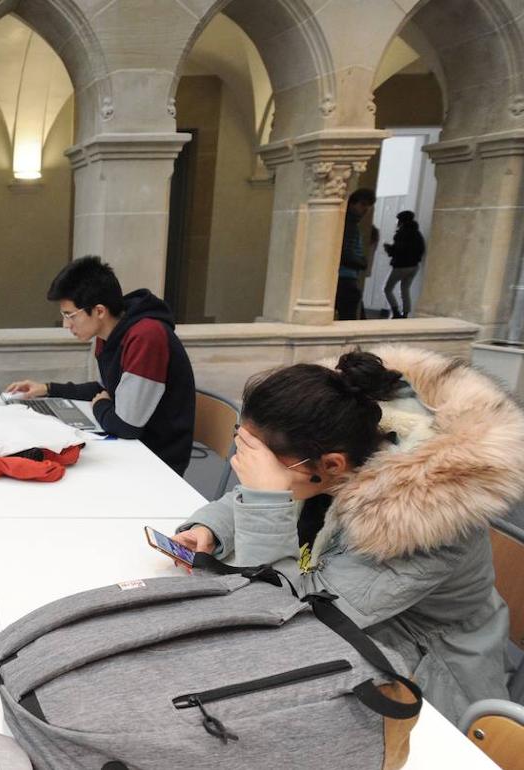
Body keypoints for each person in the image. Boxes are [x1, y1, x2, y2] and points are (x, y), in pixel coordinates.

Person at [171, 347, 523, 722]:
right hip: (349, 623)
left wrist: (264, 500)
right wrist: (210, 527)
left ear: (332, 465)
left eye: (263, 464)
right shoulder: (337, 430)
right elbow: (264, 487)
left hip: (420, 677)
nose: (243, 467)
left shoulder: (420, 520)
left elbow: (297, 612)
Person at [6, 256, 196, 475]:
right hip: (129, 448)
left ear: (99, 311)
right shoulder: (107, 334)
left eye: (70, 315)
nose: (66, 324)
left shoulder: (146, 336)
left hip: (155, 461)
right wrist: (48, 389)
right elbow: (104, 390)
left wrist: (100, 405)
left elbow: (126, 426)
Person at [335, 188, 376, 320]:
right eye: (363, 204)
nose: (366, 209)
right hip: (345, 278)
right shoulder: (349, 225)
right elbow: (344, 254)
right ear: (352, 203)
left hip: (345, 278)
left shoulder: (350, 223)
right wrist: (362, 263)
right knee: (348, 319)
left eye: (368, 206)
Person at [383, 211, 426, 319]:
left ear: (401, 221)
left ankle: (395, 311)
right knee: (405, 289)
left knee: (387, 289)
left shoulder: (402, 234)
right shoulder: (417, 234)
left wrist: (388, 248)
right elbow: (420, 250)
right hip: (414, 266)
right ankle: (405, 313)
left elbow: (398, 250)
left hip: (401, 266)